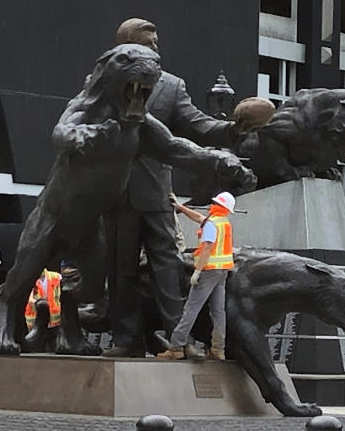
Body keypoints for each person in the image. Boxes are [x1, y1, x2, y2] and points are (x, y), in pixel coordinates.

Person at [103, 18, 250, 357]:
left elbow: (197, 125)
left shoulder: (170, 86)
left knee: (167, 266)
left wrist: (232, 130)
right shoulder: (104, 83)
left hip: (156, 192)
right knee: (120, 269)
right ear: (126, 48)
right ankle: (125, 340)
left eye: (156, 44)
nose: (156, 50)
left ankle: (178, 340)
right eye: (148, 44)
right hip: (114, 192)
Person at [157, 192, 237, 360]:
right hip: (222, 272)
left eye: (214, 202)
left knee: (191, 309)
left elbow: (207, 248)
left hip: (208, 271)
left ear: (218, 206)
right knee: (218, 312)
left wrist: (198, 271)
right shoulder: (223, 222)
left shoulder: (212, 224)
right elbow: (200, 218)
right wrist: (180, 208)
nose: (210, 204)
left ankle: (176, 347)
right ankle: (218, 350)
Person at [23, 267, 62, 352]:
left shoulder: (56, 277)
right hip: (36, 323)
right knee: (37, 350)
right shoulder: (28, 278)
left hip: (55, 322)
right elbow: (29, 299)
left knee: (55, 349)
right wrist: (40, 304)